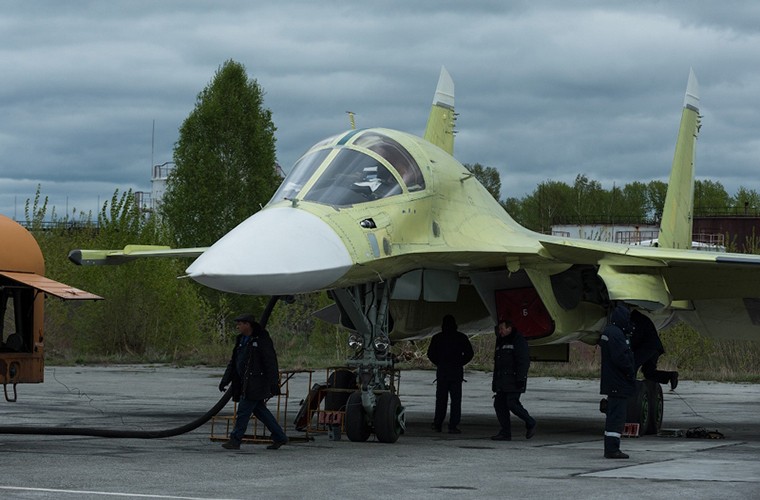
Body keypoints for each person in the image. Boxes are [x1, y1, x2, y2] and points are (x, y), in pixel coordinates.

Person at [219, 313, 288, 450]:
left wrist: (274, 383)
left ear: (247, 324)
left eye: (240, 324)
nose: (237, 326)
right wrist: (225, 380)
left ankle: (235, 439)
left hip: (256, 383)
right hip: (245, 383)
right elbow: (234, 362)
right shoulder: (241, 340)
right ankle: (280, 437)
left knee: (243, 412)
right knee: (260, 411)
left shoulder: (261, 339)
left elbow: (270, 362)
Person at [599, 304, 636, 459]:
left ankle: (611, 447)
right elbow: (621, 358)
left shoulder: (608, 332)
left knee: (613, 415)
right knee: (617, 417)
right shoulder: (616, 335)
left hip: (612, 381)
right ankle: (612, 449)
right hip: (618, 382)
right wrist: (630, 371)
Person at [426, 314, 474, 434]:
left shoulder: (437, 338)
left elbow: (431, 354)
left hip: (443, 372)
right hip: (456, 372)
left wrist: (440, 363)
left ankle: (438, 423)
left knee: (441, 400)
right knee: (456, 401)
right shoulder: (461, 337)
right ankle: (453, 425)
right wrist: (460, 363)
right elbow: (469, 353)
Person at [491, 319, 536, 441]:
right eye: (499, 329)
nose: (500, 331)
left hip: (514, 379)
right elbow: (497, 364)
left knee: (512, 403)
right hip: (502, 380)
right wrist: (495, 383)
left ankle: (530, 422)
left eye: (502, 329)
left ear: (509, 328)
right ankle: (505, 432)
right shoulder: (500, 341)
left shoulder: (518, 341)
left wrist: (521, 379)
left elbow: (523, 361)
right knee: (499, 405)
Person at [629, 309, 679, 390]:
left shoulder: (634, 320)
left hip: (647, 347)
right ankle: (670, 376)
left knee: (631, 365)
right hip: (654, 347)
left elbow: (634, 338)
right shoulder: (639, 318)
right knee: (649, 372)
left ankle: (628, 388)